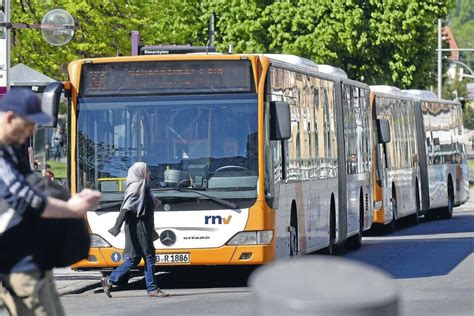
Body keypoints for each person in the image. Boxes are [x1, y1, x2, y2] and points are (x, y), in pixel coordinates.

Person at [0, 88, 101, 316]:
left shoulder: (11, 148)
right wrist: (71, 208)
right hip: (16, 262)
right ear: (9, 118)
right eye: (27, 125)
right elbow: (24, 197)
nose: (30, 132)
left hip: (31, 257)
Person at [101, 162, 169, 298]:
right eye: (147, 171)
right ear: (140, 173)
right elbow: (126, 207)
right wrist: (116, 226)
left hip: (140, 226)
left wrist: (156, 202)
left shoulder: (143, 186)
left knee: (134, 259)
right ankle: (152, 289)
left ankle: (108, 280)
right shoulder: (136, 187)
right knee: (149, 256)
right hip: (139, 226)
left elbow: (145, 200)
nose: (149, 173)